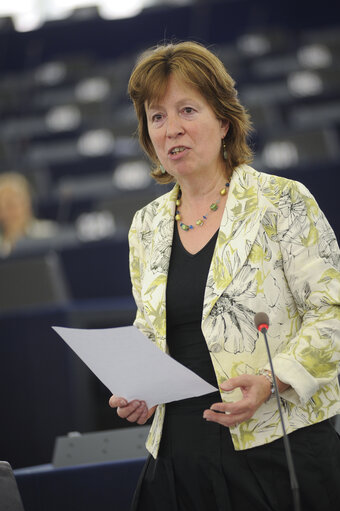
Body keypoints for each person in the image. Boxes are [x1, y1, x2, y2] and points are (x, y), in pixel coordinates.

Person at [109, 41, 340, 510]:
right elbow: (151, 329)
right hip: (178, 456)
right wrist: (140, 389)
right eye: (157, 117)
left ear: (224, 119)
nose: (172, 129)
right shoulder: (146, 226)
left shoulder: (283, 201)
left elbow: (332, 312)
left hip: (278, 444)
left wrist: (276, 381)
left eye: (187, 110)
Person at [0, 172, 58, 256]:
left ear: (27, 204)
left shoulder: (48, 233)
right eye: (0, 208)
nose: (4, 214)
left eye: (10, 205)